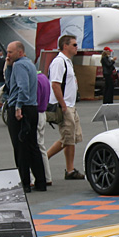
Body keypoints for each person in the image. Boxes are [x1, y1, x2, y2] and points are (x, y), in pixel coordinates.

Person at [4, 41, 46, 191]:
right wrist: (8, 67)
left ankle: (25, 183)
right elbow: (11, 83)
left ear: (20, 52)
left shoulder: (19, 65)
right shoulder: (28, 64)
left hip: (22, 108)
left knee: (20, 147)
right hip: (32, 107)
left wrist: (18, 107)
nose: (7, 55)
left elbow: (22, 87)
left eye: (10, 52)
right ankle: (41, 181)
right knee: (32, 145)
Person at [45, 34, 86, 180]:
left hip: (70, 105)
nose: (76, 47)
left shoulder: (67, 62)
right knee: (66, 138)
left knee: (72, 138)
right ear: (65, 46)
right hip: (64, 106)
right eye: (74, 44)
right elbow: (55, 84)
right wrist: (63, 105)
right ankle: (43, 160)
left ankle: (70, 169)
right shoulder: (59, 62)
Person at [35, 71, 53, 186]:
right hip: (43, 113)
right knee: (41, 146)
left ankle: (34, 178)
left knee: (33, 147)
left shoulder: (35, 81)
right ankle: (47, 176)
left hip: (35, 113)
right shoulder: (44, 78)